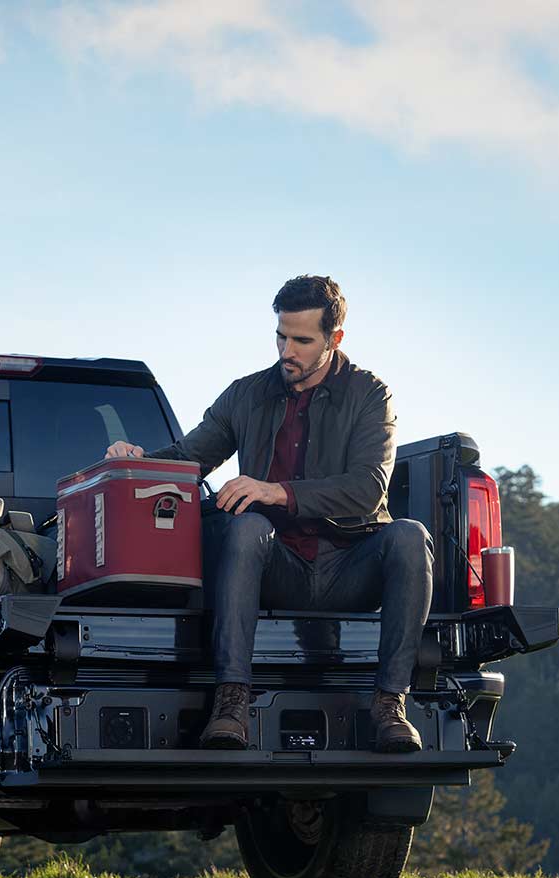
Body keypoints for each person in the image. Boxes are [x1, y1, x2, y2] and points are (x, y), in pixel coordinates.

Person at [105, 275, 432, 753]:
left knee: (409, 535)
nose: (287, 351)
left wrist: (276, 491)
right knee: (246, 525)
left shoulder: (370, 394)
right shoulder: (245, 394)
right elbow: (188, 457)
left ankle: (389, 704)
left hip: (350, 569)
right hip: (276, 567)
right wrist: (137, 460)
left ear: (334, 339)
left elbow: (368, 489)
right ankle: (231, 701)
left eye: (302, 340)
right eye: (281, 336)